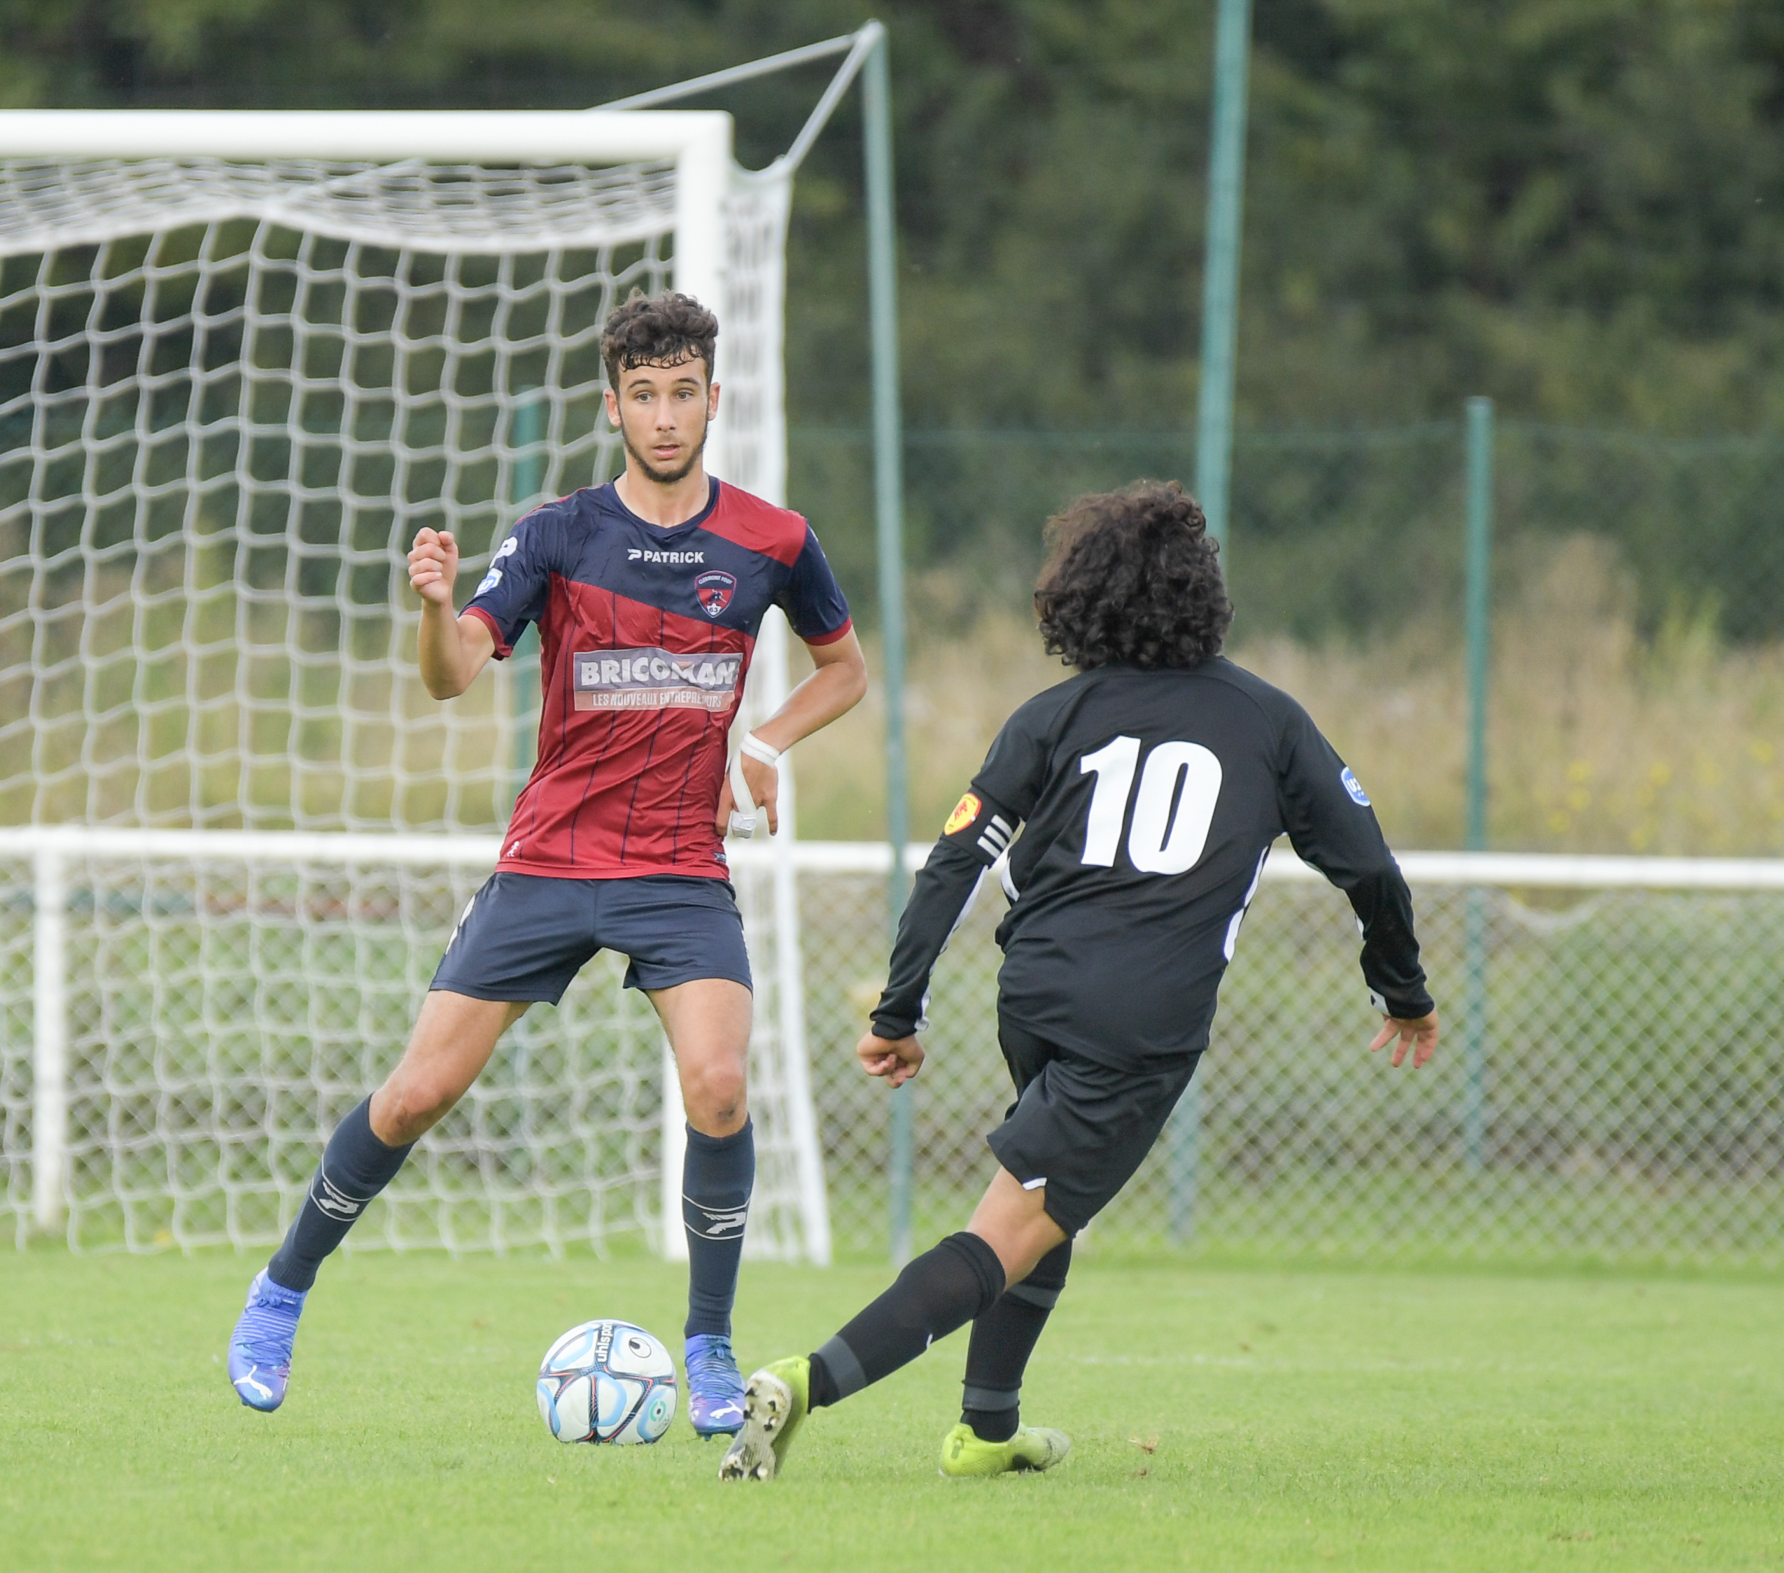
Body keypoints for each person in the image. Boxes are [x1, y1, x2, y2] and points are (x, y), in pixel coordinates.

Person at [227, 292, 869, 1434]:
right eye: (644, 395)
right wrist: (433, 609)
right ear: (611, 404)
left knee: (719, 1085)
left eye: (684, 394)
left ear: (713, 400)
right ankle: (283, 1287)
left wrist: (759, 740)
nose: (665, 417)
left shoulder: (773, 539)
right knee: (419, 1091)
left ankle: (711, 1347)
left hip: (678, 863)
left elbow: (845, 670)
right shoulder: (559, 532)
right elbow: (453, 672)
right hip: (553, 856)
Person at [718, 479, 1438, 1483]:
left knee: (1049, 1200)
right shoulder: (1269, 723)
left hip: (1040, 993)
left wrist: (899, 1005)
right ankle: (807, 1379)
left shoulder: (1052, 716)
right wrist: (1401, 989)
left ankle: (986, 1427)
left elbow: (956, 859)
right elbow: (1370, 870)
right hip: (1139, 1022)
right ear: (1204, 595)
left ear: (1079, 597)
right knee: (1009, 1226)